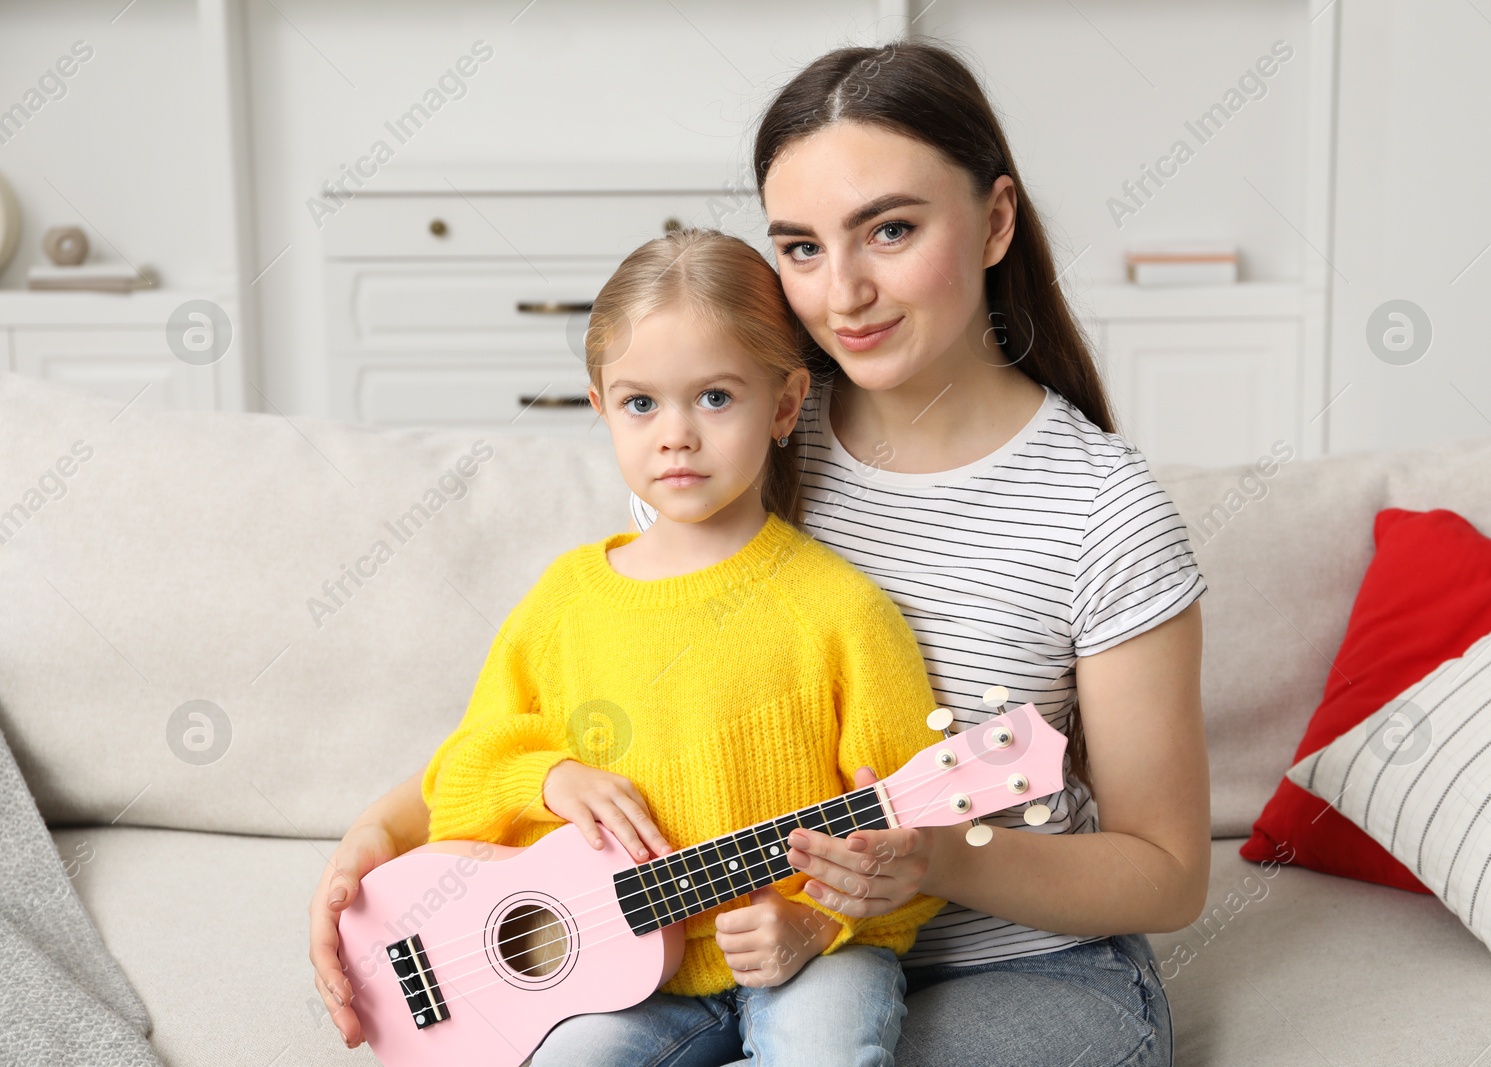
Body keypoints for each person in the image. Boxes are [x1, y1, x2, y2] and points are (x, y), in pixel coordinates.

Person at [312, 39, 1209, 1067]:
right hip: (716, 959)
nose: (844, 293)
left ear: (995, 220)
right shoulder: (741, 432)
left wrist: (924, 861)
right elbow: (575, 702)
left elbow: (1167, 870)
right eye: (801, 247)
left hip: (1023, 969)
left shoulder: (1101, 506)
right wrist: (377, 844)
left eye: (890, 230)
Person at [412, 228, 946, 1066]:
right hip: (620, 980)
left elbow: (913, 839)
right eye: (640, 403)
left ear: (783, 403)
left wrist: (819, 919)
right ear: (600, 406)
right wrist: (547, 776)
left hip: (814, 957)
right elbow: (459, 777)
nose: (676, 435)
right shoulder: (564, 601)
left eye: (715, 397)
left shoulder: (843, 611)